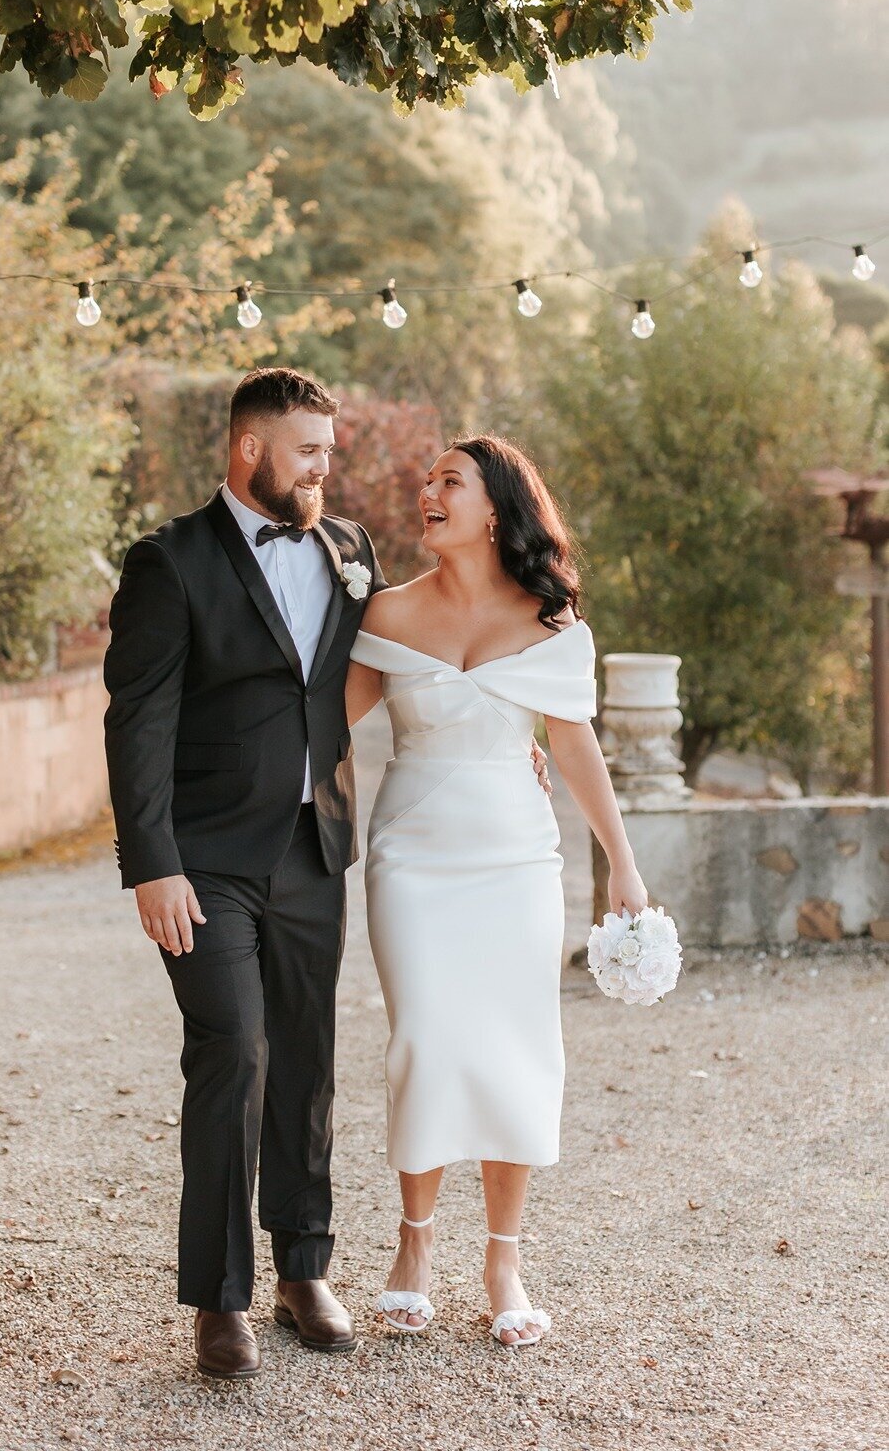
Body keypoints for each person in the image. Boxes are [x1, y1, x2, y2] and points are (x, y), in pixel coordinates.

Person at [102, 368, 385, 1380]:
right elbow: (137, 720)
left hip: (315, 849)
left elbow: (409, 653)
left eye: (328, 448)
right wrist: (151, 864)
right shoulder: (167, 563)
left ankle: (302, 1268)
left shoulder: (348, 548)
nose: (324, 465)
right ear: (249, 449)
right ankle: (215, 1297)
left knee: (305, 1057)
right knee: (233, 1048)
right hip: (207, 860)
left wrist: (508, 725)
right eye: (307, 449)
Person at [345, 433, 648, 1350]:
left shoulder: (551, 625)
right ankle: (412, 1248)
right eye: (426, 480)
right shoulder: (386, 615)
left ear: (495, 507)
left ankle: (505, 1260)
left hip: (516, 861)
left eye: (450, 481)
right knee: (427, 1041)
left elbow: (575, 750)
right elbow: (315, 727)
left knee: (518, 1048)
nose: (427, 492)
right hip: (413, 857)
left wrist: (622, 866)